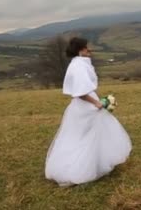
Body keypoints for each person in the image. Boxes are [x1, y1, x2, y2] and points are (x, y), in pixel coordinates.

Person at [45, 37, 132, 186]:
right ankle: (81, 169)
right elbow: (80, 92)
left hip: (81, 105)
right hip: (86, 105)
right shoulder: (78, 66)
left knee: (87, 135)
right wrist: (97, 103)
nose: (89, 49)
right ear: (80, 50)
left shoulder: (77, 64)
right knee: (88, 136)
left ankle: (95, 162)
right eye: (86, 48)